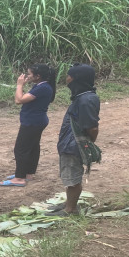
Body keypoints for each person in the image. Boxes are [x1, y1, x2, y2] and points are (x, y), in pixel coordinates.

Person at [47, 63, 100, 216]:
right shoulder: (82, 97)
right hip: (69, 143)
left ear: (77, 79)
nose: (67, 78)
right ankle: (68, 203)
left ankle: (70, 209)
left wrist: (88, 144)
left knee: (73, 178)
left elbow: (92, 127)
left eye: (69, 75)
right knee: (69, 176)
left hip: (74, 144)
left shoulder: (85, 100)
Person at [0, 64, 56, 187]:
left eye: (29, 74)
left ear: (38, 76)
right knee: (33, 147)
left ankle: (19, 178)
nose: (27, 76)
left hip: (32, 122)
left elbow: (19, 100)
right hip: (36, 121)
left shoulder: (42, 88)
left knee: (21, 149)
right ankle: (28, 173)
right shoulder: (42, 86)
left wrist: (19, 85)